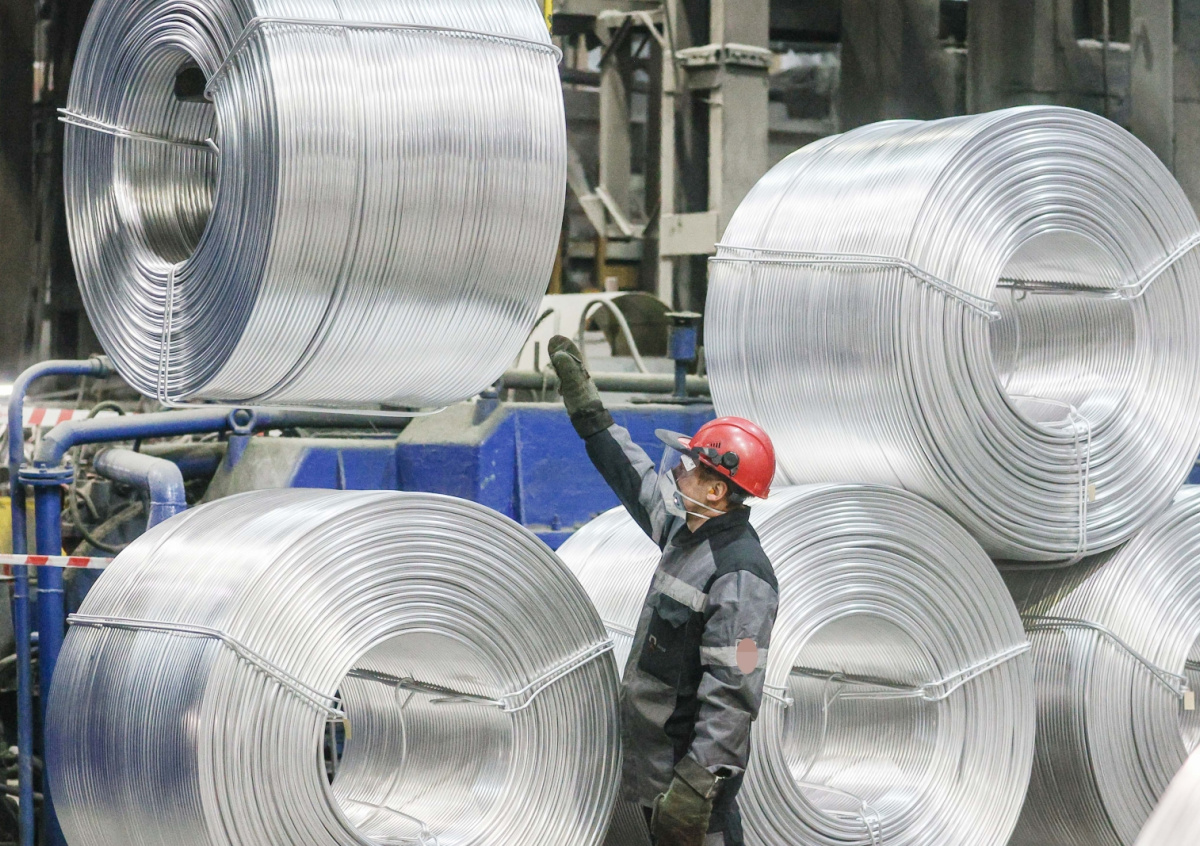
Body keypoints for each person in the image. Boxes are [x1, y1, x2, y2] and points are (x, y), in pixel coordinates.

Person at [549, 335, 779, 846]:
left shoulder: (741, 575)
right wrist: (590, 414)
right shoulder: (687, 531)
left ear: (717, 490)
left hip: (691, 791)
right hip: (657, 773)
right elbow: (633, 479)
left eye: (693, 468)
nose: (678, 471)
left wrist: (696, 788)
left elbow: (736, 687)